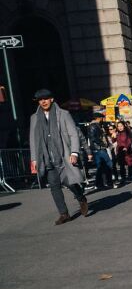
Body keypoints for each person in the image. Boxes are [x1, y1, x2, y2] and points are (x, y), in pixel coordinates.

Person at [28, 89, 88, 224]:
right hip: (46, 158)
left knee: (69, 182)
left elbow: (73, 134)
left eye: (45, 99)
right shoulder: (34, 118)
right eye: (40, 100)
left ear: (51, 99)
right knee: (54, 186)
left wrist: (74, 152)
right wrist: (34, 159)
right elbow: (33, 139)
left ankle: (81, 197)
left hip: (63, 156)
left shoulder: (63, 114)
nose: (43, 102)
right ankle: (64, 214)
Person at [87, 112, 114, 189]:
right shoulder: (93, 126)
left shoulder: (97, 125)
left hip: (98, 148)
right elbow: (93, 138)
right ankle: (108, 182)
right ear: (98, 118)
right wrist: (102, 144)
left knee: (101, 167)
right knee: (108, 164)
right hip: (98, 148)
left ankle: (99, 184)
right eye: (102, 118)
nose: (103, 119)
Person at [115, 121, 132, 185]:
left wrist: (126, 147)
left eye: (121, 126)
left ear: (124, 126)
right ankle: (123, 178)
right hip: (120, 152)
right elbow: (117, 143)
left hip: (126, 151)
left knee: (129, 164)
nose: (120, 127)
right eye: (118, 126)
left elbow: (129, 141)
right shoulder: (117, 134)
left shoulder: (127, 133)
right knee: (121, 166)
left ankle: (131, 176)